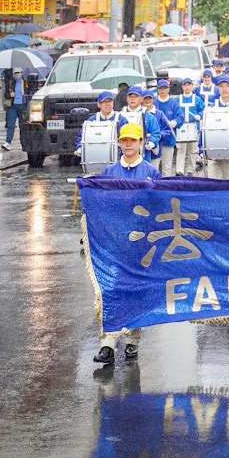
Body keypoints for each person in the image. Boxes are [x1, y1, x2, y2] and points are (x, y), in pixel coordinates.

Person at [92, 122, 161, 366]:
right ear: (119, 143)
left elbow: (159, 208)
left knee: (137, 291)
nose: (129, 144)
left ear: (141, 142)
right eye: (125, 140)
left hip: (141, 245)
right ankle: (107, 344)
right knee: (109, 290)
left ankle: (132, 341)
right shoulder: (109, 172)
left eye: (133, 140)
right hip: (113, 243)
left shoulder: (152, 172)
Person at [74, 91, 128, 157]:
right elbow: (81, 137)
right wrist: (80, 148)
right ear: (99, 104)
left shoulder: (122, 120)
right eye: (105, 102)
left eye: (110, 101)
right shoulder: (91, 120)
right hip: (96, 156)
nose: (108, 104)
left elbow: (128, 139)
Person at [152, 80, 184, 176]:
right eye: (160, 88)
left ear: (168, 89)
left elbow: (180, 117)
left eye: (164, 88)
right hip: (155, 141)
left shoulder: (173, 103)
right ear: (157, 90)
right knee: (154, 167)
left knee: (167, 167)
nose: (162, 91)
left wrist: (174, 122)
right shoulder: (153, 101)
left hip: (168, 140)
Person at [175, 78, 204, 176]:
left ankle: (191, 170)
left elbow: (203, 110)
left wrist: (199, 115)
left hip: (193, 126)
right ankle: (179, 171)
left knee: (193, 150)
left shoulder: (197, 99)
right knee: (181, 149)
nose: (187, 87)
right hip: (182, 126)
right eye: (185, 85)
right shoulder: (178, 99)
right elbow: (175, 112)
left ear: (192, 86)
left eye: (189, 85)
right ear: (182, 86)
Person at [1, 68, 29, 151]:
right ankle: (8, 142)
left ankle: (24, 143)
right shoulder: (10, 82)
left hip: (23, 106)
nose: (17, 75)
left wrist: (26, 95)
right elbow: (5, 94)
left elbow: (31, 93)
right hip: (12, 106)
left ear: (22, 73)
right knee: (10, 125)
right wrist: (10, 94)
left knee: (23, 126)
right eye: (15, 73)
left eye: (18, 73)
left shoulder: (26, 82)